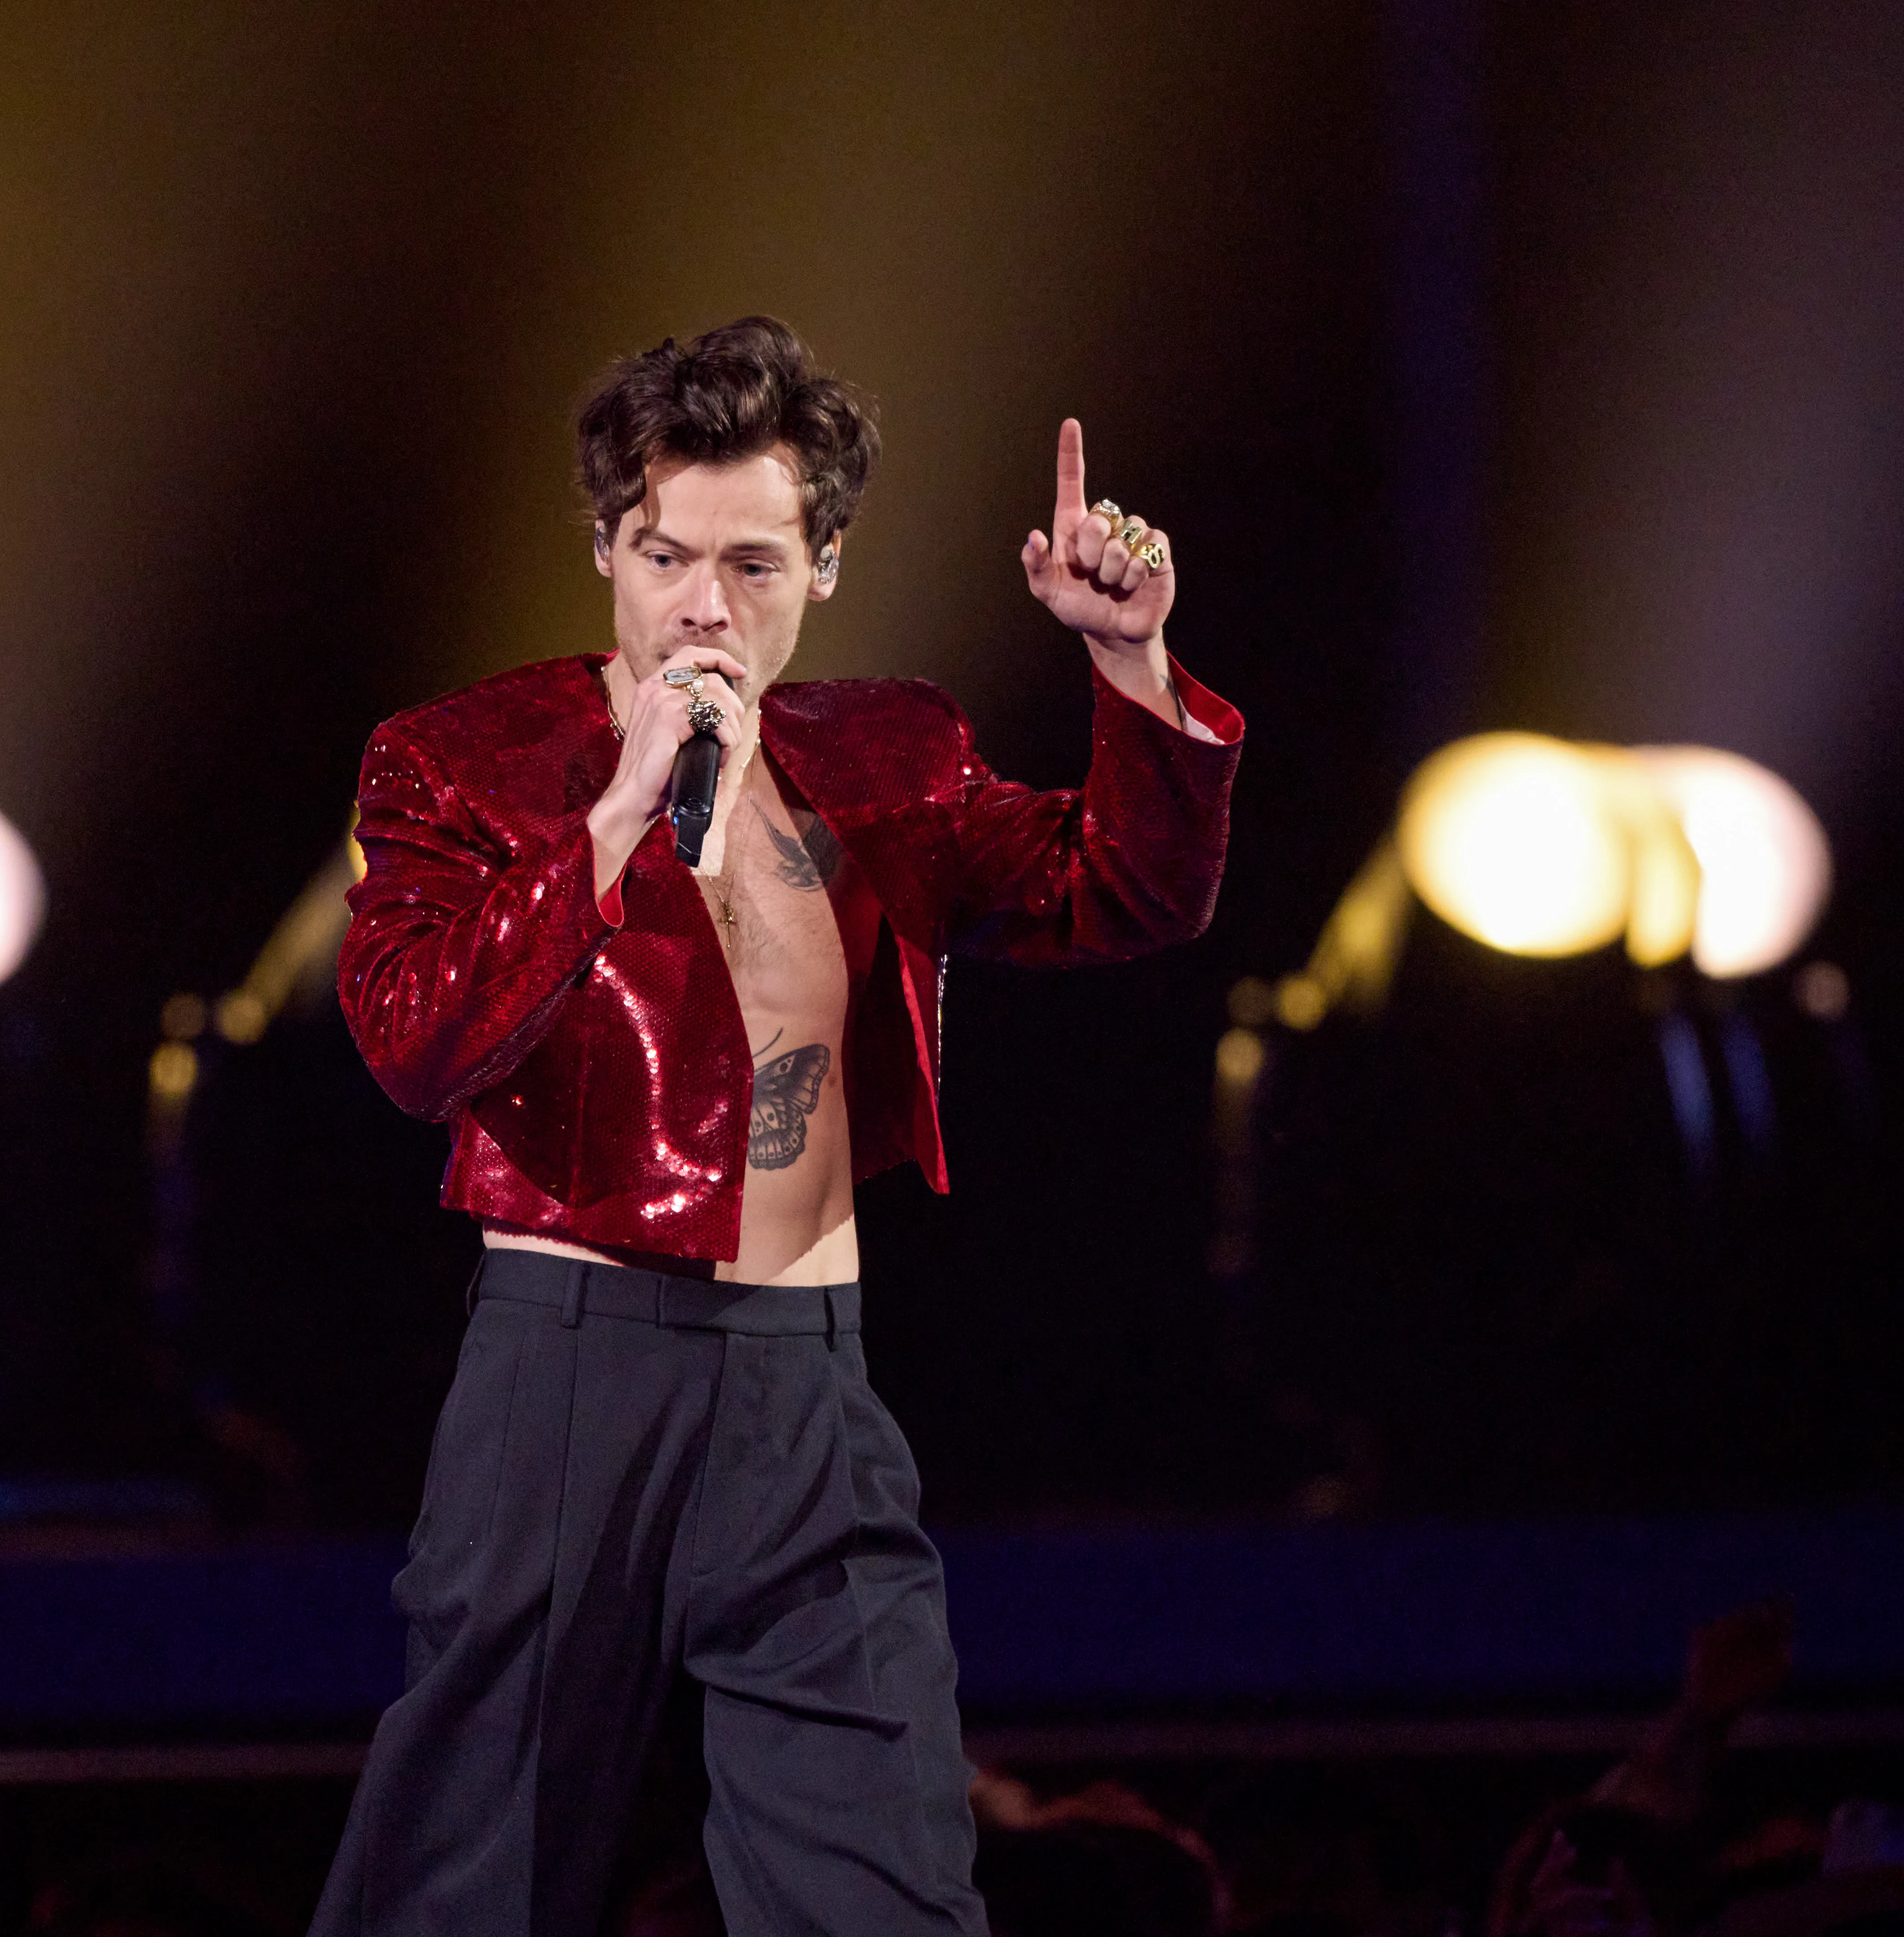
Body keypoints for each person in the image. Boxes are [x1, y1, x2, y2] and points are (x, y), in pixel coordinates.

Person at [315, 315, 1243, 1937]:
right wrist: (617, 811)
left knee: (880, 1871)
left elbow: (1126, 891)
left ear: (822, 565)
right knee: (473, 1864)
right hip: (570, 1362)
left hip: (804, 1373)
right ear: (606, 546)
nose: (700, 604)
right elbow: (411, 1043)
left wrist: (1127, 664)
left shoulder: (888, 757)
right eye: (662, 554)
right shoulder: (459, 764)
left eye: (751, 564)